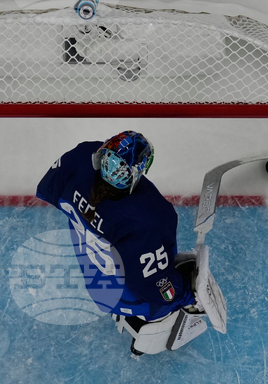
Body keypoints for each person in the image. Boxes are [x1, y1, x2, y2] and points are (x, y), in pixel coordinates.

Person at [36, 131, 208, 355]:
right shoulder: (150, 219)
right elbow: (159, 292)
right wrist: (189, 294)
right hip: (124, 297)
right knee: (162, 291)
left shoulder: (81, 156)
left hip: (97, 285)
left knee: (135, 256)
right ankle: (150, 328)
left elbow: (48, 188)